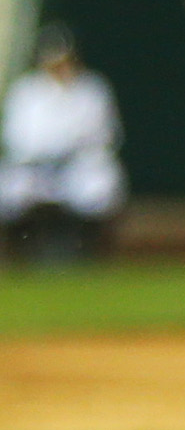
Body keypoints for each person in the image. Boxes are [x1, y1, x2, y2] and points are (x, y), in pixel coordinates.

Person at [0, 22, 124, 263]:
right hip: (35, 167)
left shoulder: (92, 88)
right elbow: (15, 139)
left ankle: (87, 251)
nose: (59, 66)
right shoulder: (25, 90)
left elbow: (106, 136)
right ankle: (20, 253)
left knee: (103, 184)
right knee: (10, 188)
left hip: (78, 167)